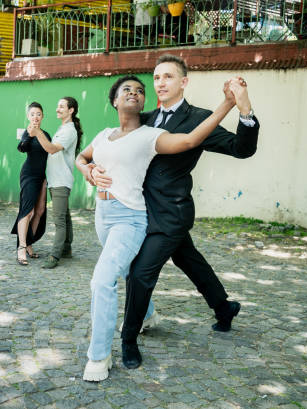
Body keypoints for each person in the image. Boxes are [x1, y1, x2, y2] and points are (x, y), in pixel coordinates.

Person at [93, 54, 259, 370]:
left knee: (140, 274)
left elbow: (242, 149)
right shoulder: (145, 117)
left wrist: (244, 109)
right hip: (139, 212)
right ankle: (224, 308)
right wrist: (90, 169)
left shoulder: (200, 118)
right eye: (156, 78)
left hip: (171, 213)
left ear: (183, 82)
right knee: (188, 259)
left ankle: (128, 341)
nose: (161, 83)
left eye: (168, 77)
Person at [28, 97, 83, 269]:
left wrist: (38, 133)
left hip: (60, 181)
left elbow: (51, 149)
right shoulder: (64, 128)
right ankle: (66, 248)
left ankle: (55, 255)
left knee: (59, 220)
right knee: (64, 216)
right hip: (56, 180)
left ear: (71, 110)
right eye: (57, 106)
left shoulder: (69, 131)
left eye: (61, 106)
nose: (58, 109)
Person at [11, 102, 51, 265]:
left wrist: (47, 178)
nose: (36, 116)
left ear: (42, 117)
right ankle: (21, 247)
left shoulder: (46, 135)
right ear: (29, 116)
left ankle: (29, 242)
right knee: (28, 211)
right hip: (28, 175)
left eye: (39, 114)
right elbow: (22, 148)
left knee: (39, 211)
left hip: (42, 176)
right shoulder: (27, 133)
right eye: (33, 114)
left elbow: (50, 153)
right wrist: (29, 134)